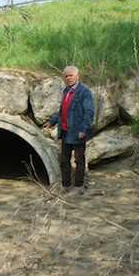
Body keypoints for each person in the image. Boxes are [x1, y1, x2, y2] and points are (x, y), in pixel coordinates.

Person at [43, 66, 94, 196]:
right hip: (65, 131)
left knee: (79, 160)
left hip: (78, 132)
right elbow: (62, 111)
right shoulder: (66, 91)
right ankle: (65, 185)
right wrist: (52, 122)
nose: (68, 78)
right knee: (64, 160)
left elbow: (89, 113)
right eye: (66, 76)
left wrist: (84, 129)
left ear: (77, 76)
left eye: (71, 75)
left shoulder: (84, 92)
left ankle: (78, 186)